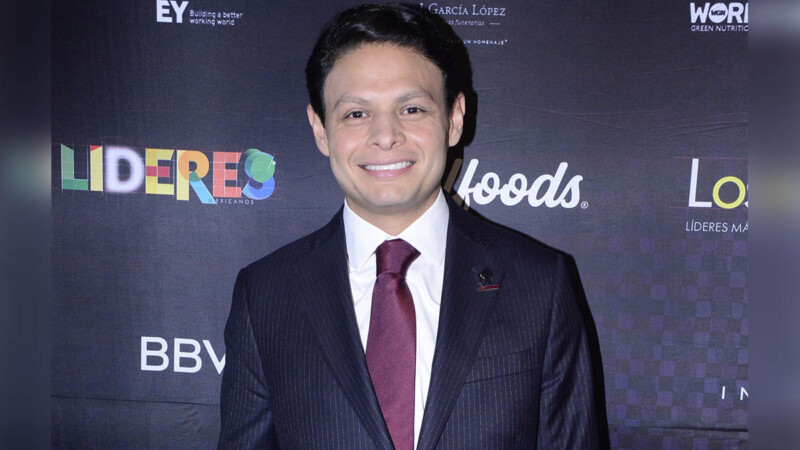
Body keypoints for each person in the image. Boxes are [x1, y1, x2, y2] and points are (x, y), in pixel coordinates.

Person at [218, 3, 600, 449]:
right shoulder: (266, 295)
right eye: (356, 114)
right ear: (320, 129)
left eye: (412, 109)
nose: (385, 136)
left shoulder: (539, 284)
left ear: (454, 119)